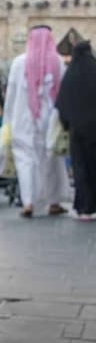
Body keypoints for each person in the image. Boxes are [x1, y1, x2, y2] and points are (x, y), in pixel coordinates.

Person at [0, 25, 69, 218]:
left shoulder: (18, 63)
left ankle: (28, 202)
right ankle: (53, 202)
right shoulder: (58, 63)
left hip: (22, 119)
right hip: (49, 121)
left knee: (25, 160)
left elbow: (11, 95)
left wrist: (7, 121)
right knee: (51, 160)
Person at [56, 41, 96, 221]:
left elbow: (61, 103)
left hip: (77, 131)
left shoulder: (70, 76)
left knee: (80, 167)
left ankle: (84, 207)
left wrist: (67, 124)